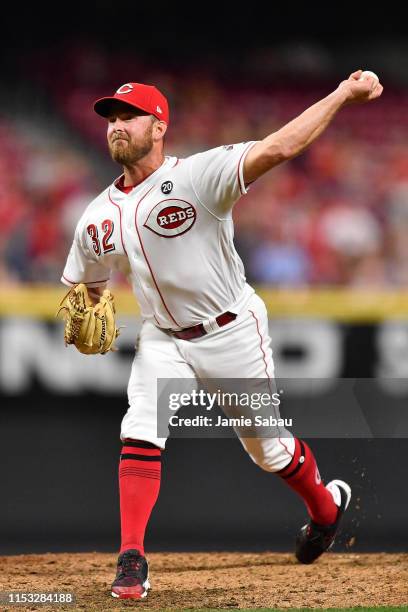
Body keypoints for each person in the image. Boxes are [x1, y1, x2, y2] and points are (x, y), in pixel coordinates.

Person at [60, 71, 383, 599]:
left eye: (128, 117)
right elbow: (85, 286)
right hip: (163, 338)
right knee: (140, 426)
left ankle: (325, 510)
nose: (116, 127)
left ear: (158, 125)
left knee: (269, 451)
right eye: (110, 120)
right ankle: (131, 561)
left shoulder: (200, 176)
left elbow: (281, 145)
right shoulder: (96, 215)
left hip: (230, 332)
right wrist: (86, 309)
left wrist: (343, 94)